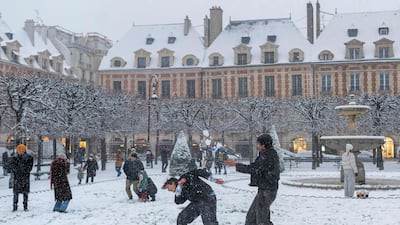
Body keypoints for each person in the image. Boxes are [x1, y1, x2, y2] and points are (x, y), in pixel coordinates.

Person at [225, 133, 280, 225]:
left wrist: (236, 164)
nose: (256, 146)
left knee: (262, 221)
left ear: (263, 145)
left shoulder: (268, 156)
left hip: (267, 191)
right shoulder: (266, 154)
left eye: (258, 144)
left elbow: (254, 169)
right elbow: (256, 168)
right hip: (264, 190)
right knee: (251, 218)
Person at [8, 144, 34, 211]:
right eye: (19, 150)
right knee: (18, 193)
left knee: (22, 193)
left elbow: (29, 168)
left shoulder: (27, 158)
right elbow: (12, 167)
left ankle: (23, 206)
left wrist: (20, 171)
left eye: (21, 150)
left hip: (21, 177)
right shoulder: (15, 158)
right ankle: (16, 206)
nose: (20, 152)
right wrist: (20, 171)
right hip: (20, 177)